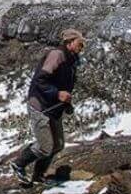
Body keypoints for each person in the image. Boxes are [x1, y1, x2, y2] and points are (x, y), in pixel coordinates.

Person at [10, 28, 85, 186]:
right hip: (41, 105)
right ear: (70, 42)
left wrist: (66, 104)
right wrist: (57, 94)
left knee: (57, 145)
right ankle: (19, 164)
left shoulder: (72, 60)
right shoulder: (56, 55)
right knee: (45, 146)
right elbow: (40, 80)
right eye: (80, 43)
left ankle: (38, 176)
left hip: (54, 108)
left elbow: (65, 86)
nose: (82, 47)